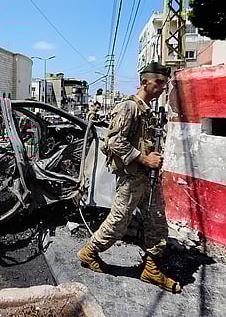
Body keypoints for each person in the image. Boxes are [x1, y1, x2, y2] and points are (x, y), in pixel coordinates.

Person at [77, 62, 182, 293]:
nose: (163, 88)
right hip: (132, 178)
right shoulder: (129, 107)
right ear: (145, 82)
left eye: (165, 83)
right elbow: (114, 142)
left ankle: (151, 269)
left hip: (147, 179)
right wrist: (144, 159)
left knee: (156, 221)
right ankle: (90, 251)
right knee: (119, 221)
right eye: (159, 83)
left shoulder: (148, 110)